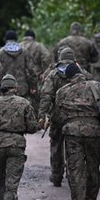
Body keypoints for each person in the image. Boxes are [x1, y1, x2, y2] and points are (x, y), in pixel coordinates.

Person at [55, 64, 100, 200]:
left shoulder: (61, 91)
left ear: (68, 77)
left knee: (75, 170)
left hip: (72, 133)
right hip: (93, 131)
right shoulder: (96, 86)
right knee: (93, 167)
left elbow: (59, 113)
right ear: (81, 74)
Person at [0, 74, 38, 200]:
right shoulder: (24, 103)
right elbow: (32, 127)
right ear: (15, 87)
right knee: (11, 184)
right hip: (16, 145)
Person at [38, 47, 80, 187]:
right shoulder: (80, 72)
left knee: (56, 144)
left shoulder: (53, 74)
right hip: (75, 116)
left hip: (57, 116)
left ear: (60, 58)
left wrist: (42, 115)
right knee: (74, 145)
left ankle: (56, 175)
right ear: (74, 59)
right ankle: (73, 174)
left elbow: (46, 95)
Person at [0, 30, 37, 99]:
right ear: (16, 39)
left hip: (5, 87)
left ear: (5, 39)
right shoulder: (24, 51)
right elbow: (31, 69)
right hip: (21, 88)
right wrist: (33, 86)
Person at [19, 29, 53, 116]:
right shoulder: (38, 46)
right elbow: (47, 58)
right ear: (33, 37)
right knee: (36, 101)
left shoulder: (18, 46)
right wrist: (44, 72)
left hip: (20, 78)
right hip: (36, 76)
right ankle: (36, 119)